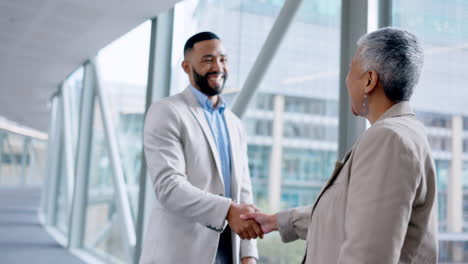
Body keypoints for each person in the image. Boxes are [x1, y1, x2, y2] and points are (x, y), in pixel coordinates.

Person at [241, 27, 438, 263]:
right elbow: (348, 217)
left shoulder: (389, 139)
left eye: (350, 70)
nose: (346, 80)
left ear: (369, 80)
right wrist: (277, 221)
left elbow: (368, 254)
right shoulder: (403, 133)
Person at [139, 32, 260, 264]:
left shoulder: (235, 124)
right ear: (186, 67)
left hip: (228, 253)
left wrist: (248, 254)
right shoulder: (166, 111)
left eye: (223, 59)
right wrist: (228, 210)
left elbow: (244, 191)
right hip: (179, 253)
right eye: (207, 60)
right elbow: (169, 187)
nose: (218, 67)